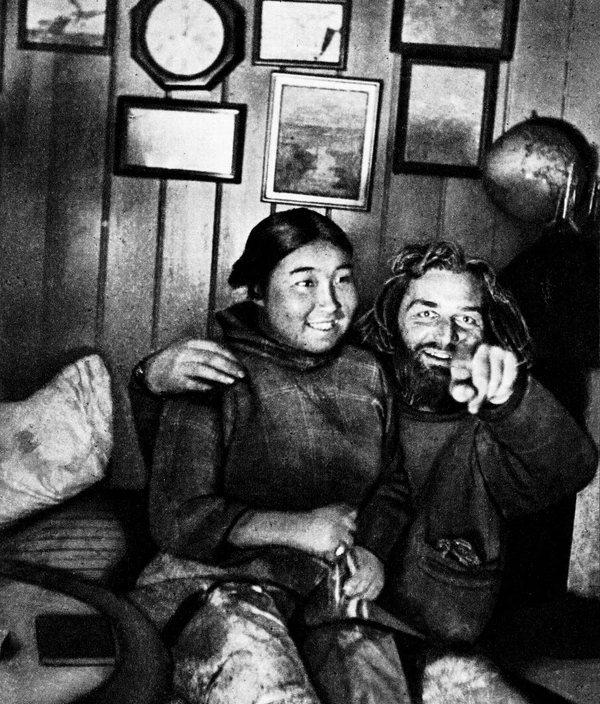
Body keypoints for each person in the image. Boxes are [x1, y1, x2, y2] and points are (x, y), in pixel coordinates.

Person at [132, 209, 431, 704]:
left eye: (343, 279)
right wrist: (296, 528)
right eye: (304, 283)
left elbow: (392, 487)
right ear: (256, 293)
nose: (330, 303)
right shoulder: (212, 371)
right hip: (214, 588)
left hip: (328, 592)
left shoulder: (367, 374)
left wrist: (373, 551)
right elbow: (177, 517)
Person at [135, 239, 597, 645]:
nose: (446, 336)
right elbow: (183, 480)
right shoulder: (353, 382)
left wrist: (509, 397)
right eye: (426, 314)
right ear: (392, 320)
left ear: (488, 333)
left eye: (467, 320)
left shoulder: (492, 427)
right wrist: (149, 379)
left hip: (422, 640)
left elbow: (572, 468)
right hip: (300, 616)